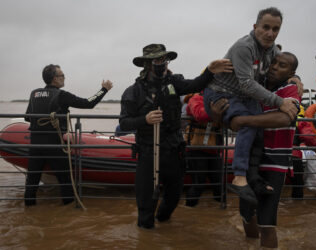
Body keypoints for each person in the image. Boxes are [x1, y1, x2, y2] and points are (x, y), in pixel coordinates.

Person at [119, 44, 233, 229]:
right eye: (157, 60)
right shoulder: (133, 92)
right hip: (148, 150)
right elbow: (124, 122)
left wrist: (210, 71)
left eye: (164, 60)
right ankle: (146, 231)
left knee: (173, 194)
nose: (161, 64)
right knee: (146, 199)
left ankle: (163, 221)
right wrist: (145, 119)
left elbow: (195, 84)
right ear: (147, 64)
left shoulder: (174, 82)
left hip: (172, 148)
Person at [203, 7, 299, 204]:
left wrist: (295, 77)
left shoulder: (272, 50)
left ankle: (252, 176)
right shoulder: (244, 47)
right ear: (255, 27)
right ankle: (239, 177)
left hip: (242, 96)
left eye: (275, 29)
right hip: (221, 93)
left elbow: (285, 64)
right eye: (265, 27)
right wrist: (279, 102)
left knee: (258, 127)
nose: (270, 33)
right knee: (247, 124)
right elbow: (247, 84)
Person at [230, 52, 300, 248]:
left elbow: (285, 118)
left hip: (274, 163)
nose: (275, 67)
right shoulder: (256, 88)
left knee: (267, 222)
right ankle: (250, 245)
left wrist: (243, 121)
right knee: (246, 214)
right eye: (274, 63)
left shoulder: (290, 89)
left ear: (291, 72)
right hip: (251, 160)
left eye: (282, 65)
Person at [24, 64, 113, 206]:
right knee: (66, 181)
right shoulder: (62, 95)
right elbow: (88, 103)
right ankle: (69, 211)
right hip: (56, 145)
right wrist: (104, 89)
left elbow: (27, 118)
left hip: (35, 145)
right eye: (62, 75)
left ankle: (29, 210)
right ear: (55, 79)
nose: (64, 77)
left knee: (31, 182)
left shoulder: (34, 93)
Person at [184, 92, 223, 207]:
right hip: (196, 150)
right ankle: (189, 209)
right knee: (198, 184)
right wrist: (218, 110)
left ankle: (221, 211)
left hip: (214, 149)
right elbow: (200, 114)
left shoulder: (221, 99)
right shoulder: (195, 99)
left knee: (219, 185)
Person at [291, 105, 316, 198]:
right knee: (298, 185)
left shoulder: (279, 118)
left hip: (276, 155)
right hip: (294, 155)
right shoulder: (301, 121)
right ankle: (297, 206)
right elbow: (308, 137)